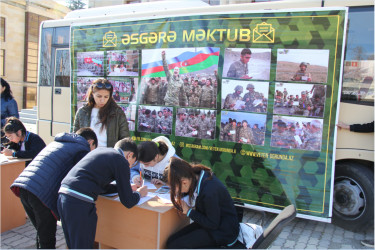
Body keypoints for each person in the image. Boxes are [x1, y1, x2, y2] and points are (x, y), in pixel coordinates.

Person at [10, 128, 98, 249]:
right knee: (47, 239)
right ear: (90, 142)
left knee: (42, 233)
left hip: (24, 186)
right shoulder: (82, 149)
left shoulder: (59, 142)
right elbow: (83, 177)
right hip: (40, 194)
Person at [57, 138, 148, 249]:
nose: (128, 167)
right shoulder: (121, 160)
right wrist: (139, 194)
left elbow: (101, 187)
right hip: (80, 202)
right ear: (130, 155)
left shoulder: (101, 151)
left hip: (64, 196)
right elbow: (128, 201)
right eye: (131, 164)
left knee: (73, 245)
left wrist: (125, 187)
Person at [164, 157, 244, 249]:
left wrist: (189, 211)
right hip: (209, 223)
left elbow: (213, 224)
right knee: (170, 242)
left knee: (174, 246)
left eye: (174, 188)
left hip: (222, 232)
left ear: (184, 182)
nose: (174, 191)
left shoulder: (209, 191)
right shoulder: (196, 176)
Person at [73, 78, 130, 147]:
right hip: (87, 155)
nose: (102, 100)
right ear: (92, 94)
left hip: (109, 155)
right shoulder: (82, 112)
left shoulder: (118, 113)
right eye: (99, 96)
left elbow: (125, 140)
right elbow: (74, 137)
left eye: (106, 97)